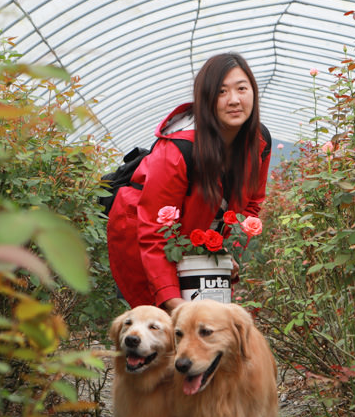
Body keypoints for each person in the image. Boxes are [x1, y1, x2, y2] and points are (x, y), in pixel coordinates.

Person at [106, 52, 272, 312]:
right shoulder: (177, 151)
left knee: (207, 328)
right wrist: (172, 302)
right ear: (205, 99)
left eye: (242, 88)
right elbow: (153, 232)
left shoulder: (258, 142)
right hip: (141, 239)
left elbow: (251, 206)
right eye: (221, 92)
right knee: (160, 328)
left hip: (193, 239)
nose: (235, 100)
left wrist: (230, 255)